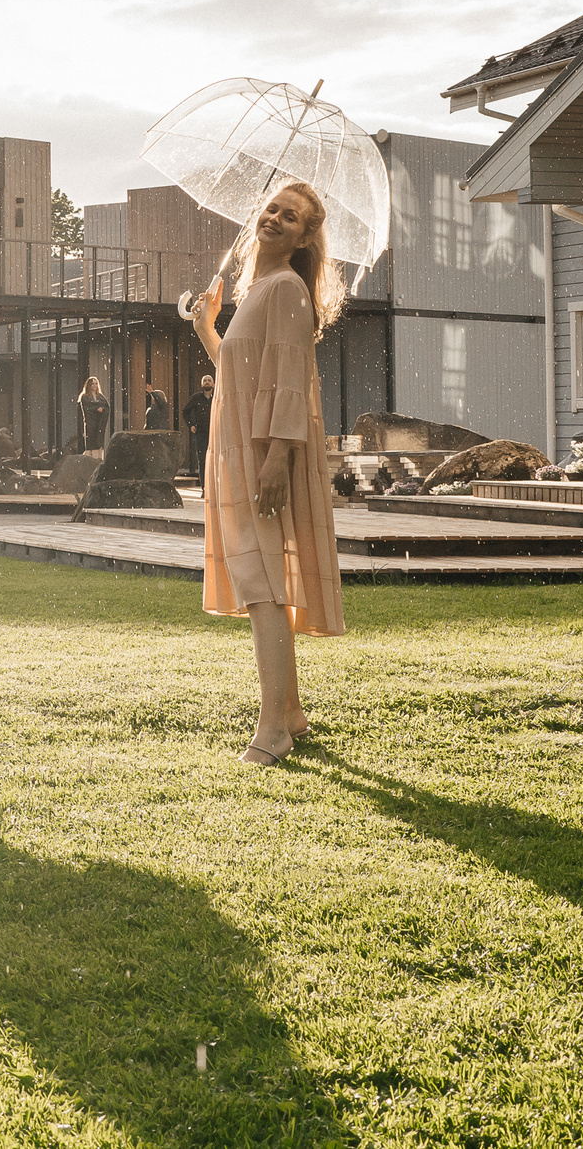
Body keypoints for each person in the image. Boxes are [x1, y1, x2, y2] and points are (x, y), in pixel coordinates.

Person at [190, 182, 345, 766]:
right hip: (243, 448)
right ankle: (293, 713)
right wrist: (207, 327)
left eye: (292, 217)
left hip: (263, 455)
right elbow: (239, 372)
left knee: (261, 588)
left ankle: (272, 731)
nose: (276, 219)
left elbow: (289, 380)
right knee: (265, 583)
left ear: (306, 236)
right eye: (272, 209)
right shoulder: (261, 288)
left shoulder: (285, 289)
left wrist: (279, 457)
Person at [182, 373, 216, 471]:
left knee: (216, 458)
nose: (207, 382)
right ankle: (204, 485)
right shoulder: (196, 397)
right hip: (201, 432)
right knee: (202, 459)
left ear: (213, 384)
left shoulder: (217, 397)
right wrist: (191, 425)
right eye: (205, 380)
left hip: (215, 432)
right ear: (201, 384)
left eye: (209, 380)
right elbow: (185, 411)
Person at [76, 373, 111, 454]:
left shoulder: (101, 396)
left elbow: (107, 406)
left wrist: (102, 409)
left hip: (99, 421)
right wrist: (96, 408)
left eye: (96, 384)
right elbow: (87, 407)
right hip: (91, 421)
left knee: (99, 437)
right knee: (91, 439)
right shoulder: (84, 396)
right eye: (92, 384)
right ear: (89, 385)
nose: (94, 385)